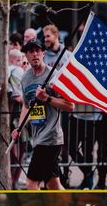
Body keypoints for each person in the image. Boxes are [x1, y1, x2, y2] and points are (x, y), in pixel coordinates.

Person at [12, 39, 74, 190]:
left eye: (37, 50)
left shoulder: (54, 76)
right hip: (37, 137)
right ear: (25, 55)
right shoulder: (25, 78)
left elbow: (70, 106)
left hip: (50, 139)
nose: (34, 54)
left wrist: (47, 98)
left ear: (43, 53)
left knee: (31, 184)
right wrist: (19, 128)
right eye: (30, 51)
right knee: (54, 184)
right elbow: (27, 106)